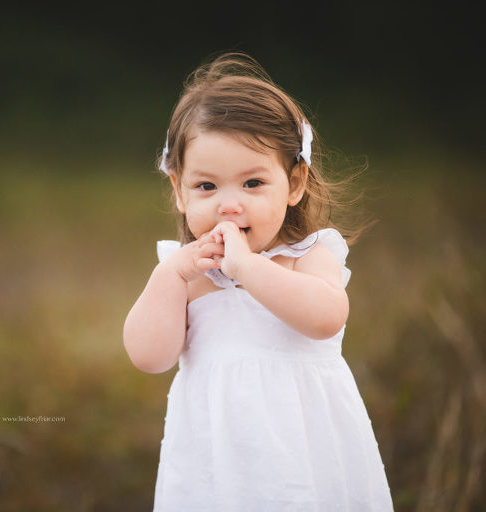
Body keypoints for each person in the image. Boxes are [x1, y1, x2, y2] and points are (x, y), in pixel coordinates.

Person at [123, 51, 394, 511]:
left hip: (304, 453)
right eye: (207, 187)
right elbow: (148, 357)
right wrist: (169, 276)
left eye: (252, 184)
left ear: (293, 184)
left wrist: (249, 268)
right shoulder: (186, 274)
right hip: (216, 463)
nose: (229, 205)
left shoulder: (308, 256)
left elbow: (327, 318)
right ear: (180, 191)